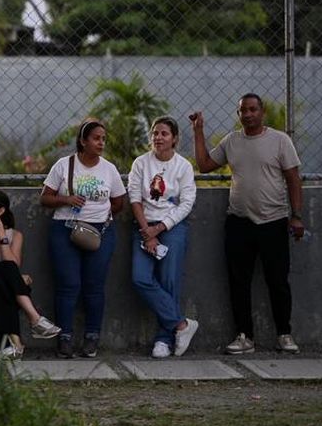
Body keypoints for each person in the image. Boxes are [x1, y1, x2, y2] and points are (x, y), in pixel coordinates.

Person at [191, 93, 304, 356]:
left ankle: (284, 334)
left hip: (273, 221)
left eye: (253, 109)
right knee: (238, 282)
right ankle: (244, 336)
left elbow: (293, 179)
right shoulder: (231, 141)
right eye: (243, 110)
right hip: (239, 222)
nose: (248, 114)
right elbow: (205, 165)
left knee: (278, 281)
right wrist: (198, 131)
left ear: (262, 112)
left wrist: (296, 215)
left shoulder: (280, 141)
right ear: (238, 114)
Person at [40, 118, 126, 358]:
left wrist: (99, 216)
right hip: (65, 229)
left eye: (104, 139)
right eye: (96, 138)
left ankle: (92, 337)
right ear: (83, 141)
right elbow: (45, 198)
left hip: (100, 232)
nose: (101, 143)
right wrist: (66, 199)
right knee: (68, 285)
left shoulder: (109, 169)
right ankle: (65, 338)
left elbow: (119, 202)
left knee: (94, 286)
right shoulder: (64, 165)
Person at [128, 116, 199, 358]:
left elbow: (186, 203)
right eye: (155, 133)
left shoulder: (183, 166)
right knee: (140, 278)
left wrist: (159, 229)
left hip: (171, 227)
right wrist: (147, 231)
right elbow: (135, 198)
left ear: (174, 138)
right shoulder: (141, 163)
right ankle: (182, 324)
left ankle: (164, 340)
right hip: (143, 226)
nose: (158, 137)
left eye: (164, 133)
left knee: (169, 281)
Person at [0, 187, 60, 360]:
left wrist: (2, 236)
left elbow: (14, 266)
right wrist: (13, 277)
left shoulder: (15, 235)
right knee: (8, 276)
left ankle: (16, 345)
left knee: (5, 286)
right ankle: (35, 319)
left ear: (0, 210)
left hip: (5, 288)